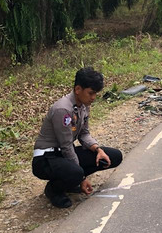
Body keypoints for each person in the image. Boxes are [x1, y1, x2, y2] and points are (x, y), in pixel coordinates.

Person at [32, 67, 123, 208]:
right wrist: (82, 178)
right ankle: (54, 189)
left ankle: (71, 180)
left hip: (63, 154)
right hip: (46, 158)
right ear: (78, 89)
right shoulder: (62, 109)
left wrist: (97, 149)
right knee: (76, 172)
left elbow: (84, 133)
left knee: (113, 157)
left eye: (95, 94)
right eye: (91, 93)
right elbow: (67, 145)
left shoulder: (84, 105)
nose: (93, 98)